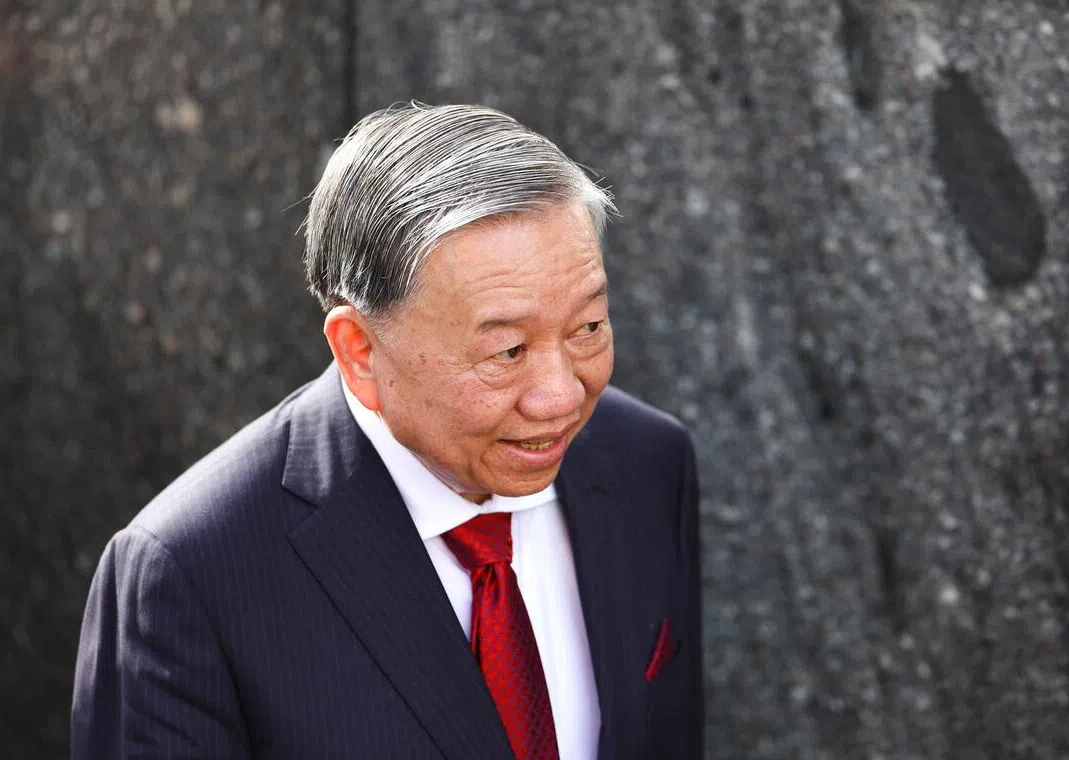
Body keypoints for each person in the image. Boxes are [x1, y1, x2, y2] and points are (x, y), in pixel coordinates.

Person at [71, 103, 702, 759]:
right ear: (359, 350)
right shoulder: (191, 573)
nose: (562, 396)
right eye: (507, 352)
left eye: (588, 329)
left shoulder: (647, 465)